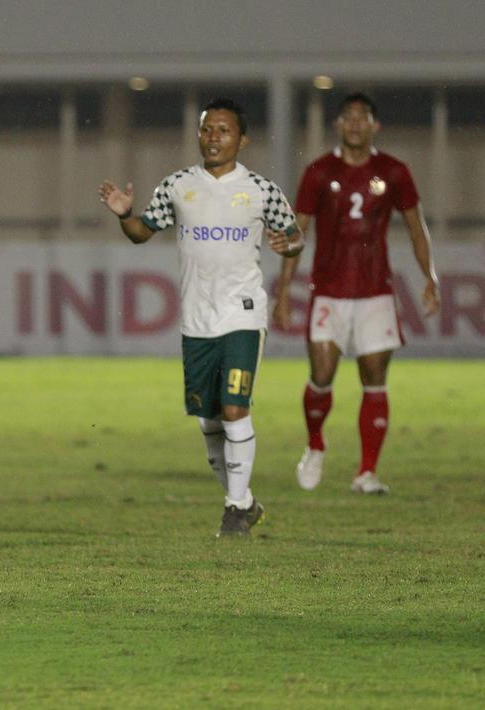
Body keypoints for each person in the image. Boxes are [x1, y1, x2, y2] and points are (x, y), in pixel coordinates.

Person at [97, 98, 304, 538]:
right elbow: (141, 234)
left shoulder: (262, 190)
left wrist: (290, 247)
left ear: (242, 139)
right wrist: (124, 215)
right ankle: (245, 502)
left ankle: (232, 510)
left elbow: (292, 234)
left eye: (224, 131)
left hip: (243, 314)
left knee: (235, 408)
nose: (214, 138)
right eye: (207, 130)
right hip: (196, 320)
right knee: (209, 421)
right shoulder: (177, 186)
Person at [273, 93, 439, 495]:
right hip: (328, 291)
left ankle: (366, 472)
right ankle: (315, 445)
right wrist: (282, 292)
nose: (354, 124)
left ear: (374, 125)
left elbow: (417, 227)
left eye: (362, 118)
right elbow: (299, 233)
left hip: (375, 293)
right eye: (348, 118)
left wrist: (429, 277)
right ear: (338, 125)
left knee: (375, 379)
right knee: (322, 375)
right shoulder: (318, 172)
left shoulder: (394, 171)